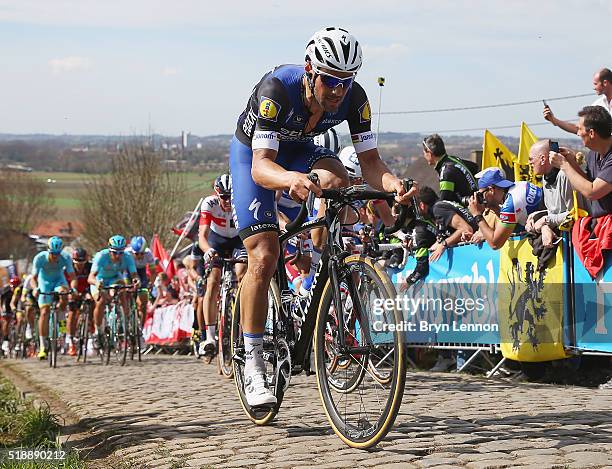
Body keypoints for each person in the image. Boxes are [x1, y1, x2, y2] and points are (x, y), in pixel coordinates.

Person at [229, 27, 415, 407]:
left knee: (339, 177)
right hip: (256, 155)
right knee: (264, 256)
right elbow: (262, 167)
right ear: (310, 70)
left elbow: (371, 163)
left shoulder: (355, 99)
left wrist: (394, 184)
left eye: (345, 82)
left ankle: (327, 257)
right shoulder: (278, 90)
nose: (338, 91)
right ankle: (253, 363)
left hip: (299, 151)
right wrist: (289, 178)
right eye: (330, 81)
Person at [198, 174, 247, 359]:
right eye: (224, 197)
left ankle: (243, 327)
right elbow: (202, 236)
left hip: (238, 241)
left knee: (242, 273)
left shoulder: (241, 201)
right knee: (213, 281)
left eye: (231, 196)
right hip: (216, 241)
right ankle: (209, 337)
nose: (227, 201)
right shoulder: (209, 204)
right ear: (217, 195)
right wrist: (208, 250)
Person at [549, 106, 612, 218]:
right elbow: (588, 182)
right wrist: (571, 161)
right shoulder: (594, 153)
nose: (578, 133)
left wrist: (564, 165)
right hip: (601, 226)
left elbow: (592, 192)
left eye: (580, 129)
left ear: (591, 133)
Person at [468, 168, 544, 250]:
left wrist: (477, 215)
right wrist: (491, 206)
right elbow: (513, 225)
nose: (481, 198)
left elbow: (495, 244)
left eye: (481, 194)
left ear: (491, 190)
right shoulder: (519, 185)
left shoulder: (510, 205)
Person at [30, 237, 78, 359]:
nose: (55, 256)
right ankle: (42, 346)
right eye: (53, 254)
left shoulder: (65, 257)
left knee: (64, 294)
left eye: (58, 254)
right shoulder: (40, 258)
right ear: (48, 250)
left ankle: (61, 321)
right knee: (44, 312)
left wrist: (73, 289)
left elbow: (72, 277)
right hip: (44, 282)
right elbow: (33, 278)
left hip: (58, 281)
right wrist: (35, 289)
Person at [88, 235, 140, 347]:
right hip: (99, 280)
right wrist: (97, 284)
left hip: (114, 279)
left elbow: (134, 274)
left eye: (121, 253)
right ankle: (98, 332)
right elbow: (90, 278)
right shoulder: (101, 256)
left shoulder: (127, 257)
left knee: (122, 289)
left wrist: (136, 280)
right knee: (101, 301)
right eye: (115, 253)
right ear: (109, 250)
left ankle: (125, 322)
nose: (118, 256)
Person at [525, 139, 576, 247]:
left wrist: (545, 220)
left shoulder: (564, 175)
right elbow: (555, 211)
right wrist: (536, 216)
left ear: (543, 159)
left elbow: (573, 214)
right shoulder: (545, 177)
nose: (529, 163)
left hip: (575, 243)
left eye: (531, 159)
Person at [544, 68, 612, 134]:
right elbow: (579, 129)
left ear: (605, 83)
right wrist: (554, 120)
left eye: (595, 84)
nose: (594, 88)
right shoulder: (597, 104)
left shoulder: (597, 106)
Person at [422, 133, 478, 204]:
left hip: (467, 209)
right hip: (473, 202)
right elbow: (475, 167)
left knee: (438, 208)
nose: (424, 156)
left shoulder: (446, 171)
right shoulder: (453, 159)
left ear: (429, 153)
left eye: (424, 153)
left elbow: (445, 200)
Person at [66, 248, 92, 356]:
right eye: (77, 262)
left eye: (82, 262)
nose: (80, 265)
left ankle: (91, 334)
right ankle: (71, 340)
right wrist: (69, 294)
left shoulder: (90, 267)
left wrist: (89, 293)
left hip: (86, 291)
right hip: (73, 292)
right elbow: (65, 283)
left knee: (92, 306)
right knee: (72, 314)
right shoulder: (69, 268)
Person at [126, 236, 158, 326]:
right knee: (125, 292)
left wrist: (151, 284)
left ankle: (140, 329)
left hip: (141, 272)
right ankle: (125, 314)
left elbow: (153, 272)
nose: (139, 256)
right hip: (128, 272)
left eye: (142, 253)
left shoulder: (148, 253)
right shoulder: (127, 253)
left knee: (143, 302)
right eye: (136, 254)